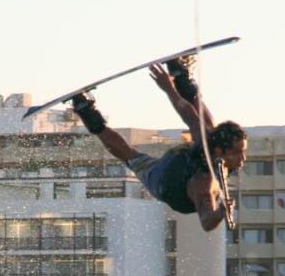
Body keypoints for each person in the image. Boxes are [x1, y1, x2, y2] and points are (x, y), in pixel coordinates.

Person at [71, 57, 247, 232]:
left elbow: (207, 222)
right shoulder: (204, 182)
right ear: (219, 151)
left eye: (243, 152)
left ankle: (85, 111)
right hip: (169, 172)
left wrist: (219, 213)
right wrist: (168, 87)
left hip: (169, 184)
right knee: (205, 125)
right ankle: (180, 77)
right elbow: (186, 113)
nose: (243, 158)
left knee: (132, 157)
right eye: (238, 152)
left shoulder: (211, 169)